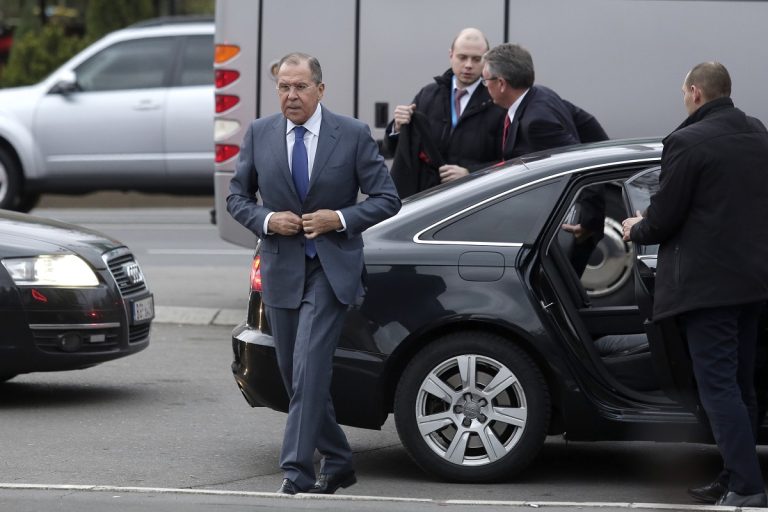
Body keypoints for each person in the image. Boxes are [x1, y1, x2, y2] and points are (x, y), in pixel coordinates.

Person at [227, 52, 400, 495]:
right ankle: (339, 460)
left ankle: (296, 472)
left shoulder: (353, 134)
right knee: (292, 373)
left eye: (300, 86)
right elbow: (237, 198)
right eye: (284, 87)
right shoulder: (260, 134)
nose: (291, 95)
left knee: (307, 367)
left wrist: (337, 219)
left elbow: (386, 198)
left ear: (320, 90)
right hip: (282, 269)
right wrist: (267, 221)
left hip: (331, 269)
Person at [622, 62, 768, 508]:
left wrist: (635, 227)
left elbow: (665, 216)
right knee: (742, 384)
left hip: (707, 288)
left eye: (684, 93)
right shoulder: (758, 133)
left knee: (718, 386)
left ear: (694, 92)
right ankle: (733, 474)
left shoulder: (686, 142)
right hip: (753, 281)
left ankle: (747, 487)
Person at [384, 27, 506, 195]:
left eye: (476, 59)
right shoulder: (428, 94)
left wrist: (470, 173)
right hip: (426, 196)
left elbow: (510, 163)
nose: (468, 65)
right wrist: (397, 127)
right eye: (462, 57)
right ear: (451, 55)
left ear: (487, 61)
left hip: (473, 198)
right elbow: (395, 149)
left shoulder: (498, 101)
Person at [481, 43, 608, 160]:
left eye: (486, 80)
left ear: (501, 83)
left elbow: (574, 161)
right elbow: (587, 122)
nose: (485, 85)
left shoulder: (536, 123)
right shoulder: (542, 93)